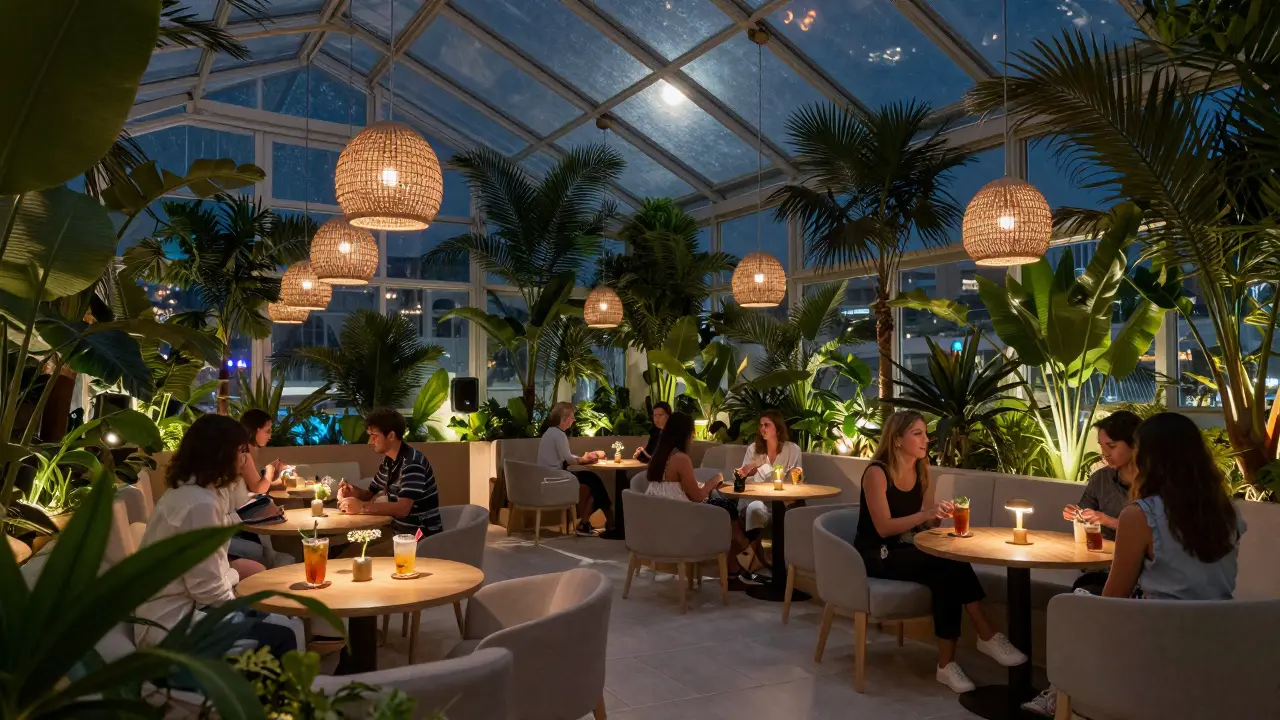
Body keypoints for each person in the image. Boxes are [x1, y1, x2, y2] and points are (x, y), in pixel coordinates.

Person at [1023, 412, 1247, 716]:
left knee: (1075, 607)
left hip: (1157, 641)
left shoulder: (1141, 514)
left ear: (1149, 458)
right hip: (1217, 638)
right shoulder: (1228, 513)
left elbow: (1114, 597)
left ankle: (1063, 697)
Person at [854, 410, 1026, 693]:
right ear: (897, 440)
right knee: (945, 566)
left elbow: (927, 524)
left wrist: (940, 515)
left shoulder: (923, 471)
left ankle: (948, 664)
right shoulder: (877, 472)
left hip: (909, 547)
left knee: (946, 568)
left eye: (925, 433)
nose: (925, 440)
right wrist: (926, 515)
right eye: (917, 433)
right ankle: (984, 634)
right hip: (877, 554)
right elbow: (884, 528)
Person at [135, 415, 294, 656]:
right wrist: (241, 604)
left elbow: (212, 538)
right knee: (283, 635)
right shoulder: (199, 503)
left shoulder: (192, 492)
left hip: (181, 611)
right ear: (221, 454)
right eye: (241, 450)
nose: (245, 457)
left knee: (279, 619)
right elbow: (205, 590)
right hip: (172, 627)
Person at [645, 412, 753, 588]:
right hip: (681, 525)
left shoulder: (659, 456)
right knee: (727, 507)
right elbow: (698, 497)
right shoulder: (680, 458)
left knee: (727, 507)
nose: (694, 434)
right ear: (685, 433)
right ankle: (741, 550)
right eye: (692, 430)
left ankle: (735, 563)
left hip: (662, 522)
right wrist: (715, 479)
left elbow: (674, 489)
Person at [1061, 410, 1141, 595]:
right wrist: (1076, 514)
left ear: (1135, 444)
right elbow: (1085, 511)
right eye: (1102, 446)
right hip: (1103, 566)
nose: (1105, 453)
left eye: (1111, 446)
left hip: (1143, 570)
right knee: (1083, 591)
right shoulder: (1101, 479)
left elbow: (1155, 531)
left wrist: (1107, 520)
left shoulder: (1156, 483)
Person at [337, 408, 443, 544]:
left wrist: (362, 507)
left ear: (391, 436)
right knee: (349, 546)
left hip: (418, 538)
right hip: (397, 532)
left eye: (374, 436)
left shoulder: (412, 463)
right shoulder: (389, 461)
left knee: (358, 555)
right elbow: (370, 494)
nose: (370, 441)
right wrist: (353, 492)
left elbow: (402, 509)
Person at [735, 410, 802, 570]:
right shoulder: (754, 450)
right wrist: (752, 471)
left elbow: (796, 477)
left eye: (767, 425)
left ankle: (785, 563)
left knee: (793, 509)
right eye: (761, 425)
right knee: (755, 509)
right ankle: (756, 557)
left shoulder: (792, 450)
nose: (762, 428)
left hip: (782, 500)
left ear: (777, 429)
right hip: (756, 498)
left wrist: (796, 474)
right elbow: (747, 479)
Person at [538, 401, 614, 537]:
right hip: (556, 478)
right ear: (564, 419)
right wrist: (587, 458)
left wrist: (581, 458)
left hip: (549, 476)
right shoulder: (559, 435)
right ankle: (608, 520)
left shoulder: (550, 432)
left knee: (593, 481)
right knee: (594, 481)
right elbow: (569, 459)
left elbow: (565, 456)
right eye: (572, 417)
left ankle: (591, 522)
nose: (573, 420)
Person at [238, 409, 285, 496]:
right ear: (256, 430)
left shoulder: (249, 449)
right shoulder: (243, 452)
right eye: (267, 431)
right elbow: (258, 488)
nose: (270, 436)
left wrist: (275, 471)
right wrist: (269, 469)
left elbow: (258, 483)